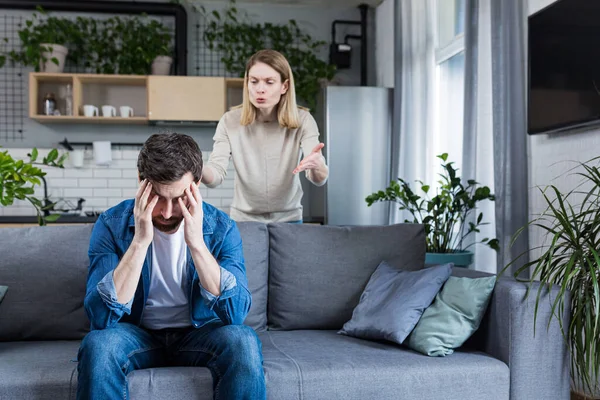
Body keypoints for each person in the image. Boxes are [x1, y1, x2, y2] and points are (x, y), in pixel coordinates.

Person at [77, 132, 266, 400]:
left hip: (199, 335)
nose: (166, 213)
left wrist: (197, 245)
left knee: (243, 341)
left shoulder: (222, 228)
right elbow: (100, 317)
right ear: (141, 182)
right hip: (136, 335)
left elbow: (235, 315)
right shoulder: (111, 223)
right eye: (156, 197)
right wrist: (140, 242)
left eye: (177, 198)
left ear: (196, 185)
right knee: (98, 345)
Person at [201, 49, 329, 223]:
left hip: (289, 220)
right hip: (244, 221)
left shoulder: (303, 120)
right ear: (247, 84)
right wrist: (196, 167)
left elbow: (318, 179)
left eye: (269, 82)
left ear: (284, 86)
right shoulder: (229, 121)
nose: (260, 89)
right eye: (254, 82)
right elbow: (215, 176)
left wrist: (318, 165)